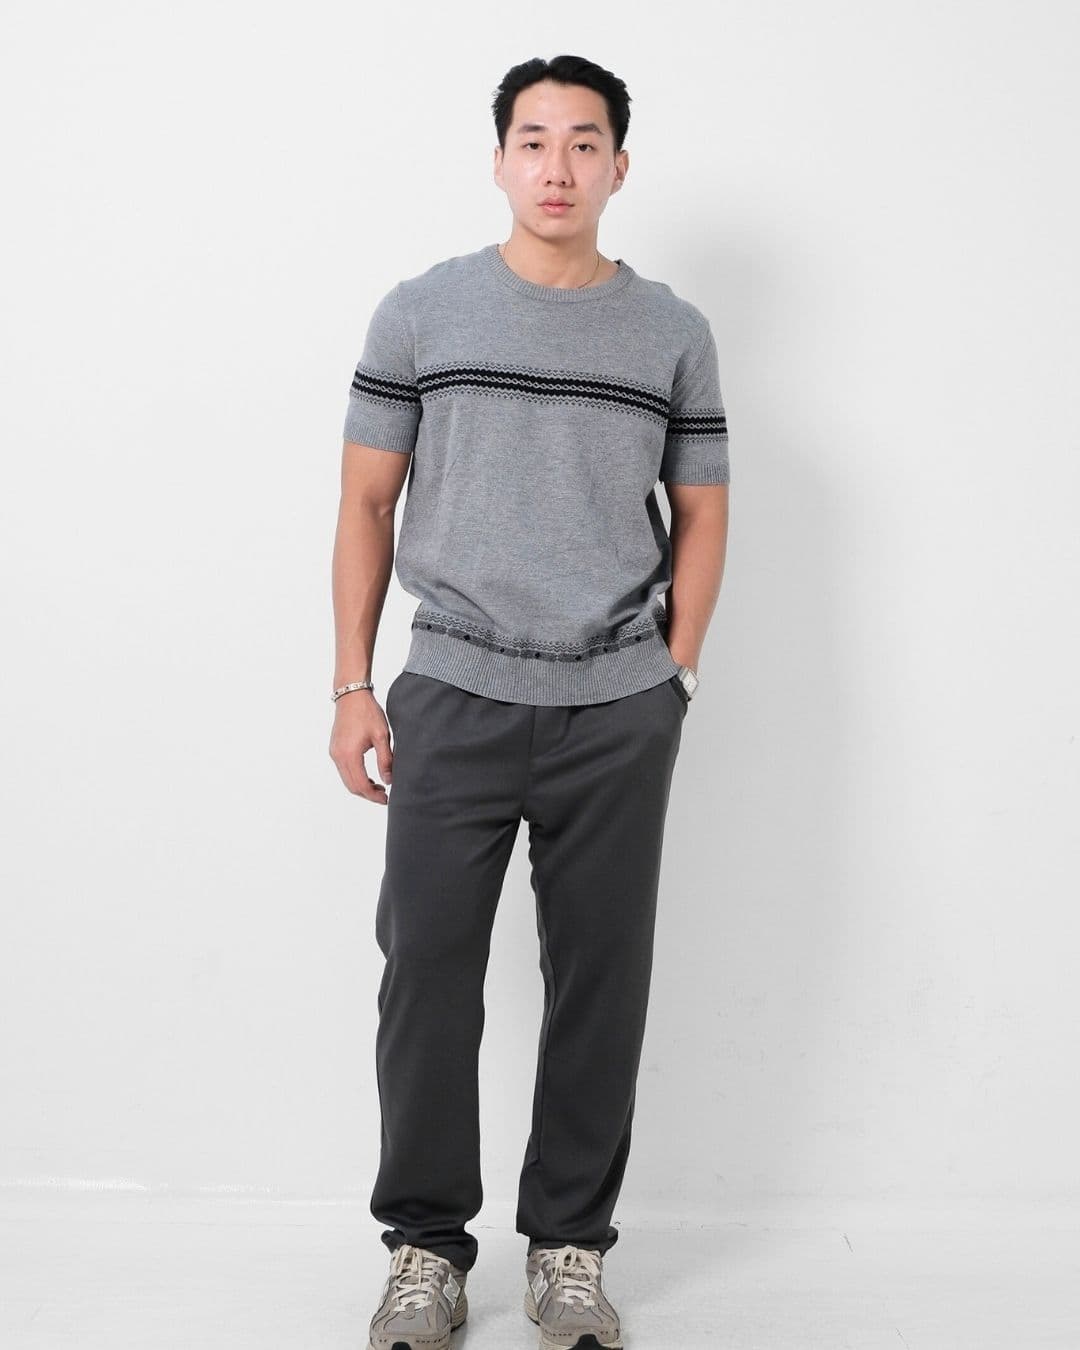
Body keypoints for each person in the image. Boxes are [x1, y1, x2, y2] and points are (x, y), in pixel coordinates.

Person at [330, 52, 731, 1350]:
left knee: (601, 981)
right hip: (452, 688)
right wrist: (353, 681)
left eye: (584, 143)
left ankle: (569, 1247)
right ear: (500, 158)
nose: (558, 167)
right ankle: (424, 1248)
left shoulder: (670, 331)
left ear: (620, 166)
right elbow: (367, 502)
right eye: (534, 140)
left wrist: (674, 673)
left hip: (615, 702)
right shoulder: (423, 313)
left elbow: (704, 510)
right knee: (427, 975)